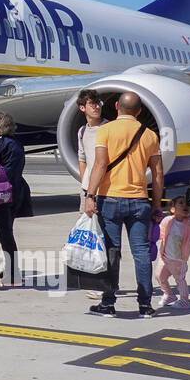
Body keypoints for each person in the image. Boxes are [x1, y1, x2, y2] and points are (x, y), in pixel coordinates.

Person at [83, 92, 164, 318]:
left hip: (110, 199)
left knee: (112, 252)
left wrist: (90, 195)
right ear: (139, 111)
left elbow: (100, 165)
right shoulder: (150, 135)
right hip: (139, 200)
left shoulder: (106, 131)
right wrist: (157, 204)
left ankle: (108, 304)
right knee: (142, 253)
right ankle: (145, 305)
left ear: (117, 106)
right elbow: (157, 174)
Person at [0, 112, 32, 286]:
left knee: (5, 234)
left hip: (4, 194)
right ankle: (12, 271)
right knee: (6, 233)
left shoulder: (4, 145)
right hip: (13, 191)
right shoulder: (11, 144)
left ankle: (13, 273)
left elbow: (4, 171)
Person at [75, 89, 107, 299]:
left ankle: (103, 283)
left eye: (98, 103)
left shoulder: (110, 128)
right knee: (90, 238)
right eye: (91, 103)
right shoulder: (82, 131)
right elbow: (82, 157)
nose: (96, 106)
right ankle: (94, 280)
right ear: (82, 108)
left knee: (105, 238)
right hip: (88, 191)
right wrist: (84, 183)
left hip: (106, 190)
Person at [156, 196, 190, 310]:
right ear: (172, 209)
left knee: (180, 279)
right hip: (165, 257)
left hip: (179, 260)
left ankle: (185, 300)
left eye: (187, 204)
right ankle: (169, 294)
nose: (185, 206)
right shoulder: (167, 221)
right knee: (159, 276)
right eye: (181, 203)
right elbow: (160, 233)